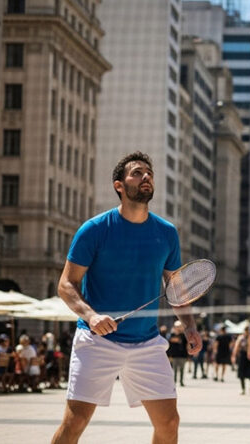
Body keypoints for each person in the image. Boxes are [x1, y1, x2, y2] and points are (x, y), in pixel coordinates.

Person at [52, 151, 202, 444]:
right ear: (119, 185)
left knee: (169, 423)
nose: (145, 176)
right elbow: (66, 285)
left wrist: (190, 326)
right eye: (136, 173)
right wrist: (91, 315)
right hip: (97, 341)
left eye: (149, 173)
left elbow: (176, 289)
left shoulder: (167, 233)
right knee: (75, 422)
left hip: (147, 344)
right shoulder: (94, 230)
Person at [232, 326, 250, 395]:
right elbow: (236, 347)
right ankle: (243, 389)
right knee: (241, 373)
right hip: (243, 356)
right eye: (246, 330)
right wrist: (234, 356)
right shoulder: (241, 338)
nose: (247, 332)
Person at [166, 321, 189, 387]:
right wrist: (169, 355)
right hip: (174, 355)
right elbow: (169, 346)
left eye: (180, 326)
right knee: (174, 369)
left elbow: (187, 345)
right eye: (177, 327)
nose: (179, 328)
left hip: (183, 355)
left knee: (182, 369)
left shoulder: (184, 335)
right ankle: (174, 381)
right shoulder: (171, 335)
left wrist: (188, 355)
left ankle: (181, 381)